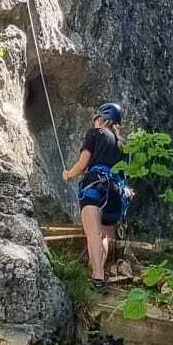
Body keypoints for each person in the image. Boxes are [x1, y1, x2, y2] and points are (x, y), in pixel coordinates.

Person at [62, 101, 130, 291]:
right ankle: (98, 272)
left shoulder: (95, 134)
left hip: (96, 186)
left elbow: (83, 163)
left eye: (96, 120)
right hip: (116, 192)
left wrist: (68, 174)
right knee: (104, 236)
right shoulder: (122, 145)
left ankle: (98, 277)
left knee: (92, 232)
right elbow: (126, 175)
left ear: (101, 119)